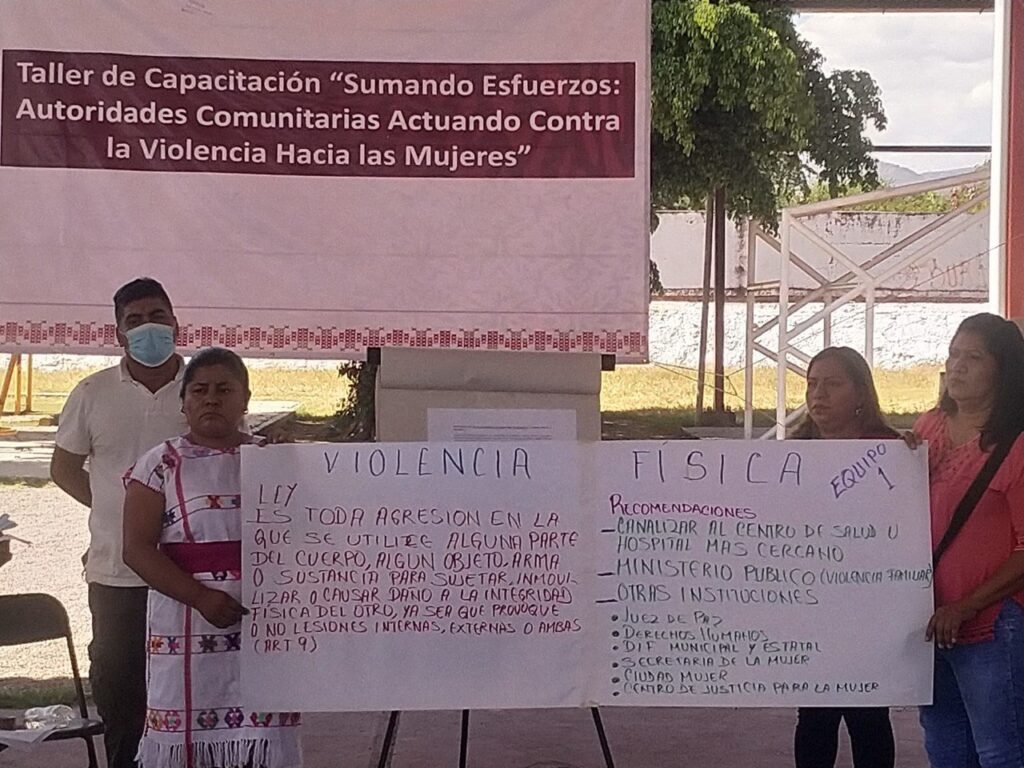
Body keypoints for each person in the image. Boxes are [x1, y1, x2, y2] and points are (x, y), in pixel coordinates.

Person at [122, 348, 301, 768]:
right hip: (186, 620)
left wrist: (293, 466)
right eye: (200, 390)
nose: (212, 399)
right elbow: (136, 549)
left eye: (224, 389)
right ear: (184, 402)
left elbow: (310, 530)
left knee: (263, 736)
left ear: (245, 399)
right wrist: (202, 598)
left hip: (264, 621)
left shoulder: (272, 459)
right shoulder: (160, 463)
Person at [50, 277, 186, 768]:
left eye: (157, 317)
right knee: (122, 693)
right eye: (135, 320)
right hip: (115, 574)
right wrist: (120, 514)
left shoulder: (204, 388)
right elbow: (64, 468)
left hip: (189, 574)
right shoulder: (92, 392)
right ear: (118, 334)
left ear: (176, 324)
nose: (148, 328)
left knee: (185, 692)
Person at [914, 313, 1024, 768]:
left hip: (991, 625)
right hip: (927, 623)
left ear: (1003, 369)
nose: (956, 366)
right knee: (946, 748)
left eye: (973, 357)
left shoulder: (1017, 445)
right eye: (953, 354)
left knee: (1001, 751)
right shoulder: (927, 428)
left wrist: (966, 606)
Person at [790, 346, 897, 768]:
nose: (818, 394)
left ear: (860, 393)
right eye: (812, 384)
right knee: (814, 715)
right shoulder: (790, 455)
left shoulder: (892, 452)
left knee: (868, 715)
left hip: (871, 606)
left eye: (832, 384)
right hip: (810, 606)